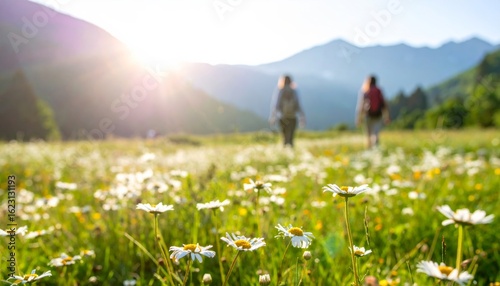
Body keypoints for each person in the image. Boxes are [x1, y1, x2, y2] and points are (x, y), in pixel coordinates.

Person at [269, 75, 305, 148]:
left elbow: (276, 105)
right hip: (293, 117)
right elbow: (298, 105)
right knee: (291, 138)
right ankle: (291, 154)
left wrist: (273, 117)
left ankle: (285, 154)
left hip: (283, 117)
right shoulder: (294, 91)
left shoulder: (280, 90)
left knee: (285, 138)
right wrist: (302, 117)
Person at [356, 75, 390, 149]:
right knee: (376, 134)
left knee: (368, 135)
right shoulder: (379, 91)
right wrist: (387, 117)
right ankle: (376, 149)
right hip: (378, 115)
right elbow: (384, 104)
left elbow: (361, 105)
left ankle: (369, 150)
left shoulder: (365, 90)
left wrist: (359, 118)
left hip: (368, 115)